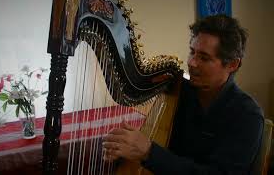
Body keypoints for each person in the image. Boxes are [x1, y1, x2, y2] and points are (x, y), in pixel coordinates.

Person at [102, 15, 264, 174]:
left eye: (204, 58)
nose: (192, 62)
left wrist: (149, 152)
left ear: (232, 64)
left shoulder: (247, 115)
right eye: (192, 52)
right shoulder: (177, 90)